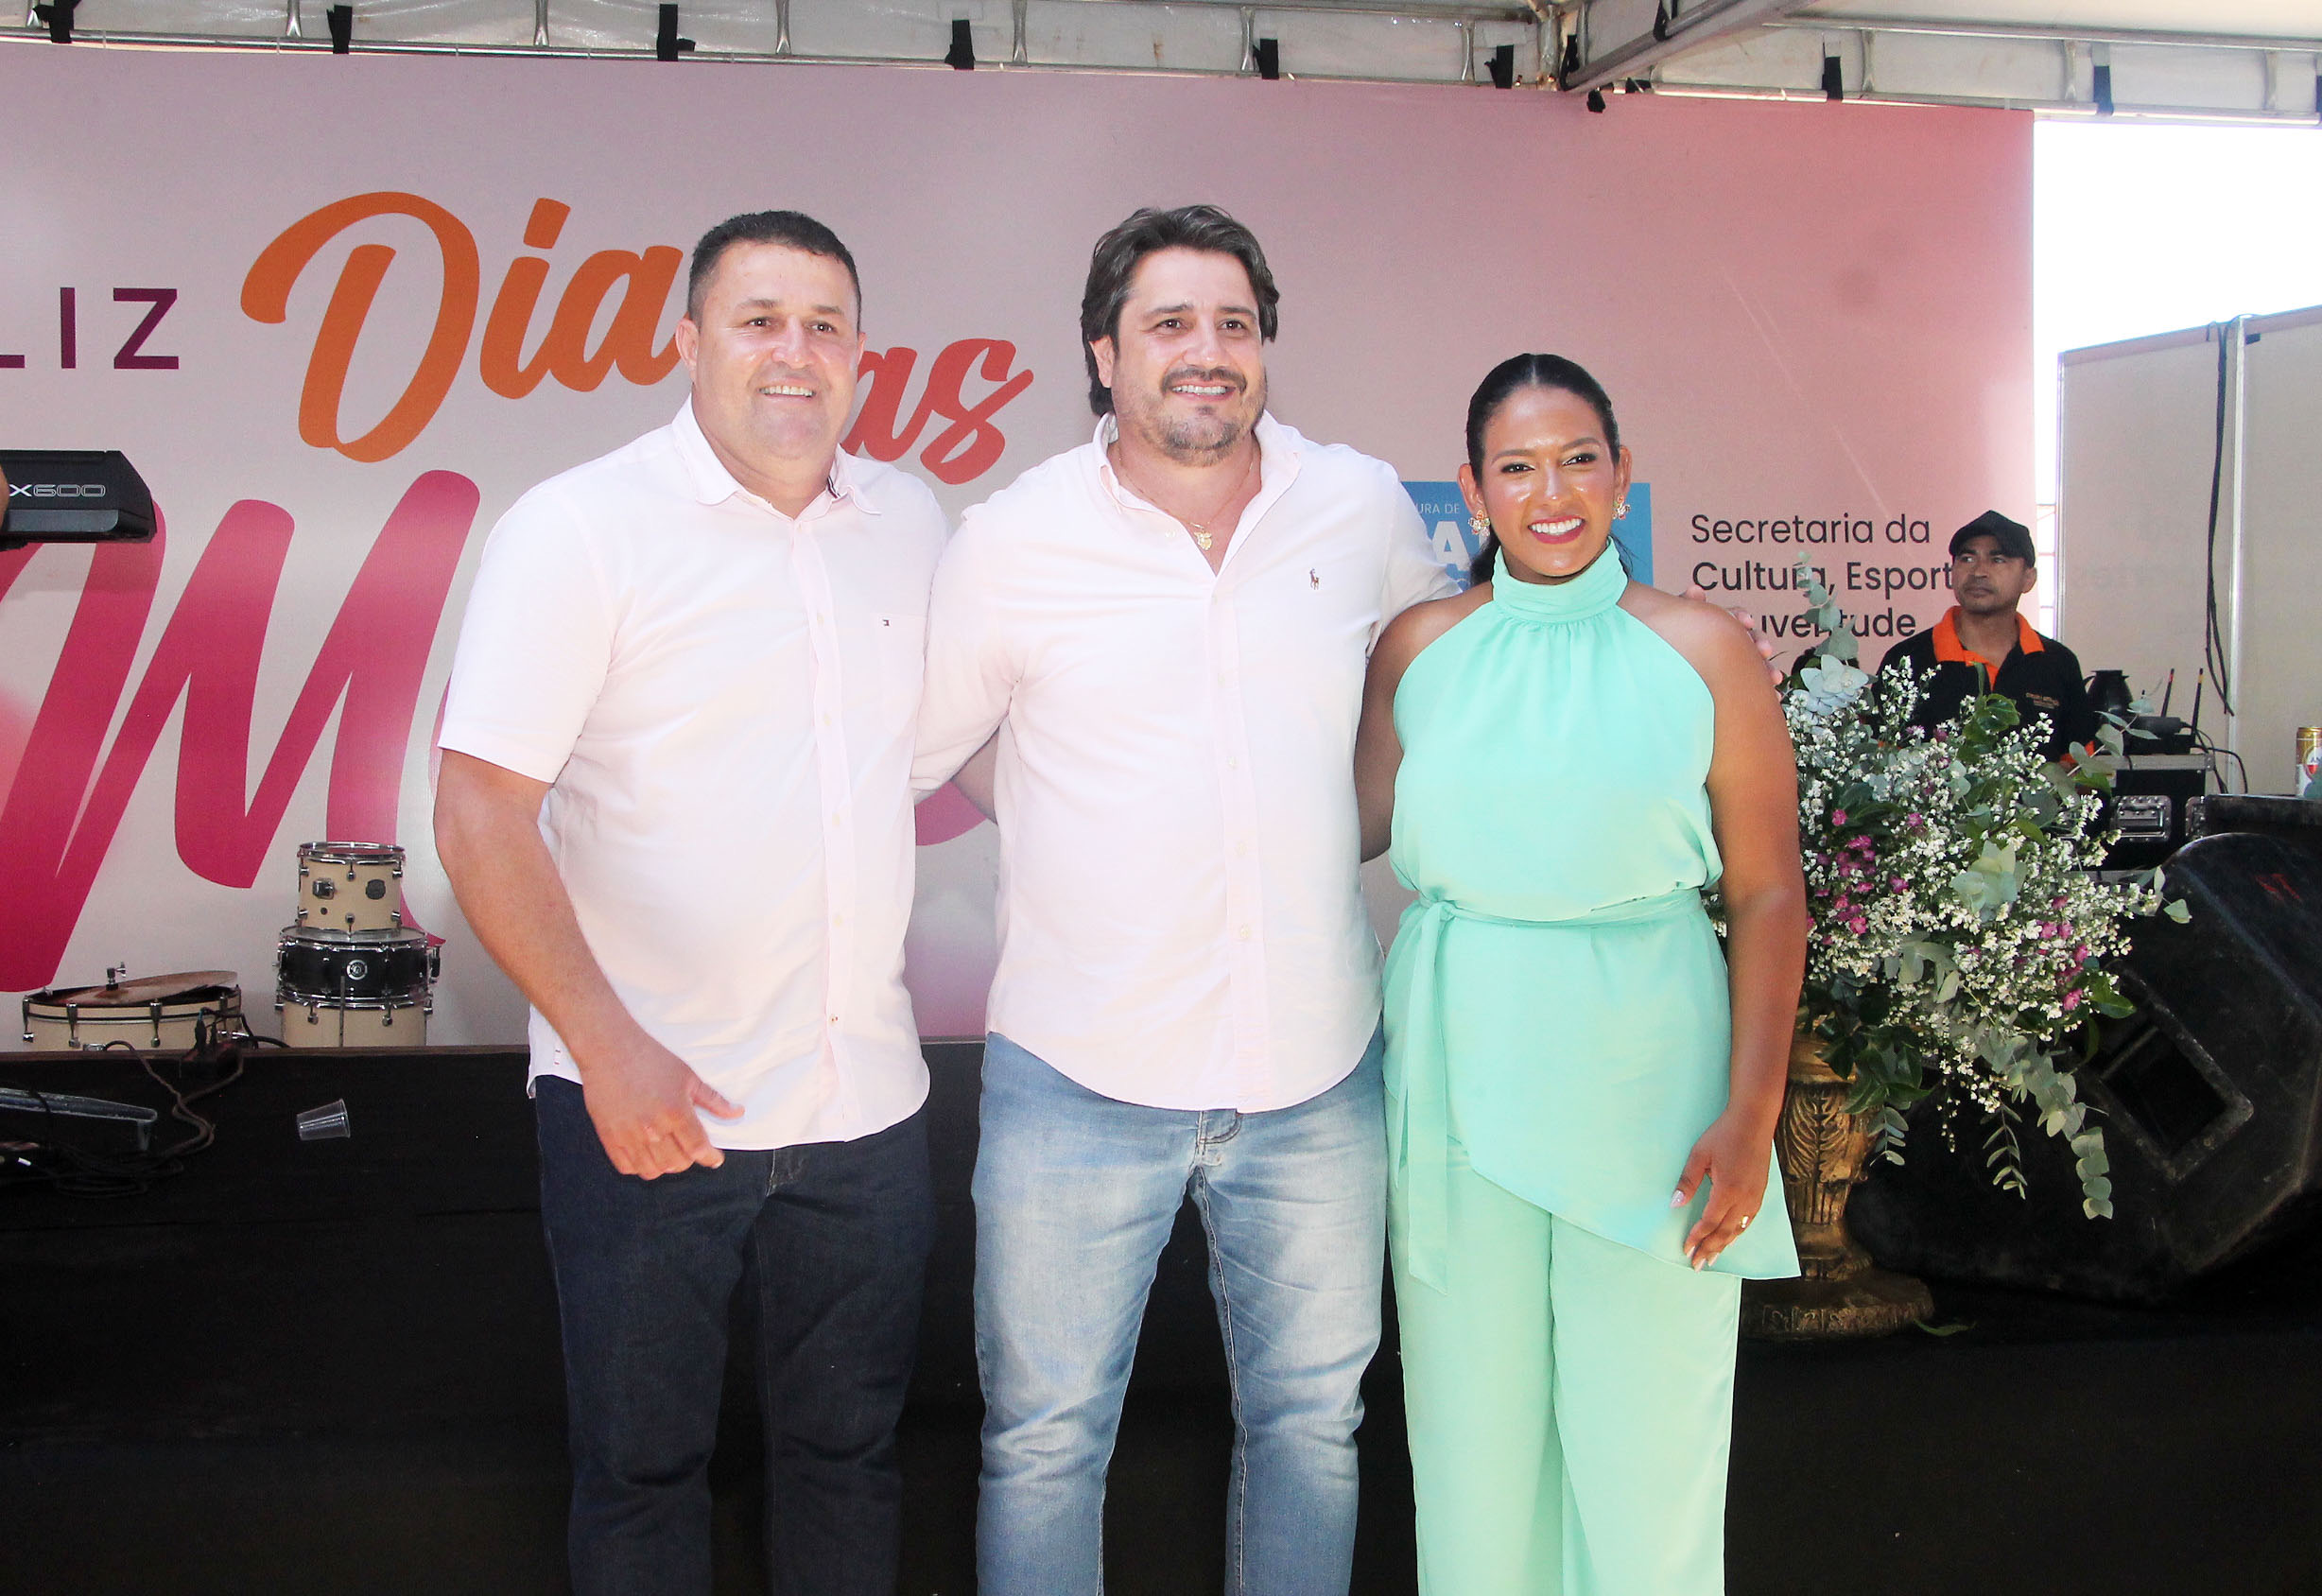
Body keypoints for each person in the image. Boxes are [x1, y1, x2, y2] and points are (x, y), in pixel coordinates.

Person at [911, 204, 1455, 1596]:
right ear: (1103, 355)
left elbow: (1426, 693)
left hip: (1315, 1067)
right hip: (1076, 1069)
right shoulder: (1013, 539)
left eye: (1233, 323)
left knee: (1312, 1428)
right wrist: (1071, 813)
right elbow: (931, 744)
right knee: (1044, 1443)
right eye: (1168, 324)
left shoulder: (1358, 507)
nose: (1205, 351)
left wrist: (1318, 825)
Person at [432, 211, 945, 1596]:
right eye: (758, 319)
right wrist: (608, 1048)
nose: (794, 353)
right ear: (688, 342)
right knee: (642, 1476)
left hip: (864, 1109)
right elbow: (479, 809)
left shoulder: (909, 522)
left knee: (849, 1465)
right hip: (652, 1108)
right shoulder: (580, 528)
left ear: (862, 357)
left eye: (825, 326)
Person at [1352, 355, 1807, 1596]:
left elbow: (1768, 892)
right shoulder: (1418, 648)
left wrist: (1752, 1113)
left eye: (1577, 461)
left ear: (1620, 473)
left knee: (1648, 1452)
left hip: (1653, 1084)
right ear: (1471, 491)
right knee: (1473, 1446)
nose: (1549, 494)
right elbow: (1334, 828)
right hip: (1459, 1074)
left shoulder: (1704, 648)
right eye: (1516, 467)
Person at [1879, 510, 2096, 761]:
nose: (1978, 571)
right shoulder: (1907, 660)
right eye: (1967, 559)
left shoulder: (2058, 663)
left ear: (2029, 578)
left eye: (1998, 560)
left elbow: (2081, 771)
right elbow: (1881, 766)